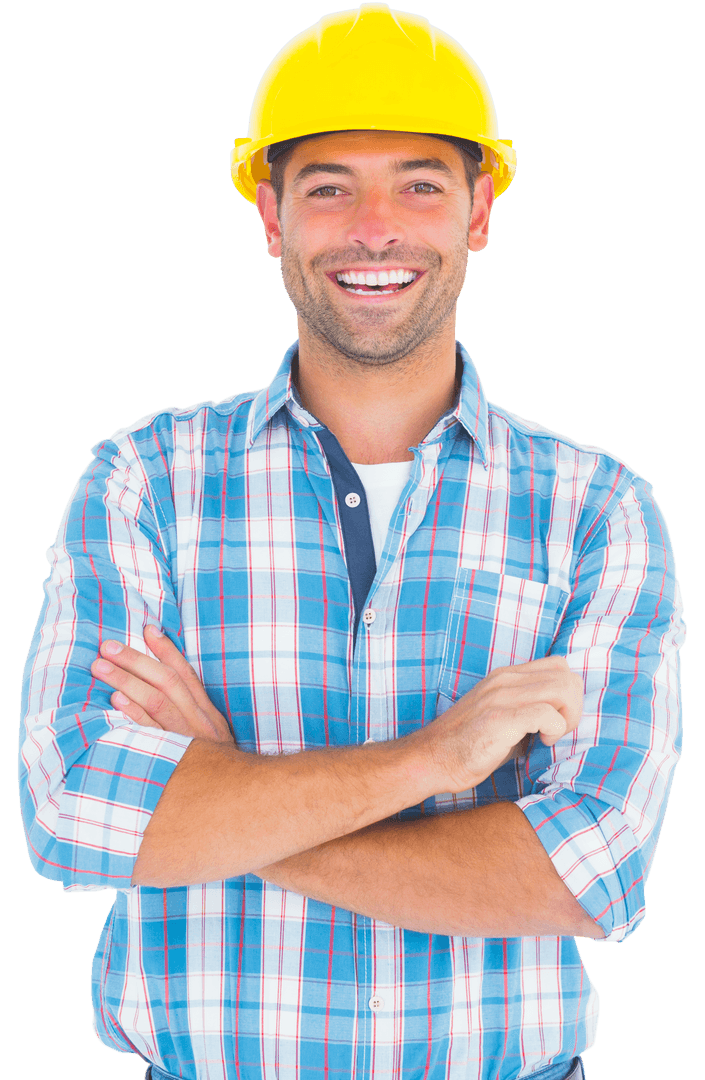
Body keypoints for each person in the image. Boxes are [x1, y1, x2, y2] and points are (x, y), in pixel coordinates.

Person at [18, 4, 685, 1079]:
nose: (376, 227)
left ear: (479, 212)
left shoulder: (596, 509)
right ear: (272, 217)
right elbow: (72, 809)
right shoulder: (147, 483)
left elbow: (586, 878)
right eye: (329, 186)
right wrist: (434, 761)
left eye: (420, 182)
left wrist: (222, 794)